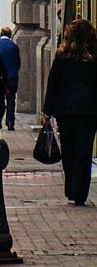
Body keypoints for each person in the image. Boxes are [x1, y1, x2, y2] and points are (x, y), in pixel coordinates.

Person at [41, 19, 97, 206]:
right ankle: (80, 191)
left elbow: (53, 83)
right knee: (84, 150)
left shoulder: (62, 56)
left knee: (68, 148)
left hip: (65, 109)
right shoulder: (94, 57)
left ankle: (71, 188)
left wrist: (47, 110)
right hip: (89, 109)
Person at [0, 25, 21, 132]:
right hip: (12, 77)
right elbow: (18, 62)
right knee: (11, 100)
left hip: (0, 77)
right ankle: (10, 122)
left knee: (0, 100)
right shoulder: (14, 46)